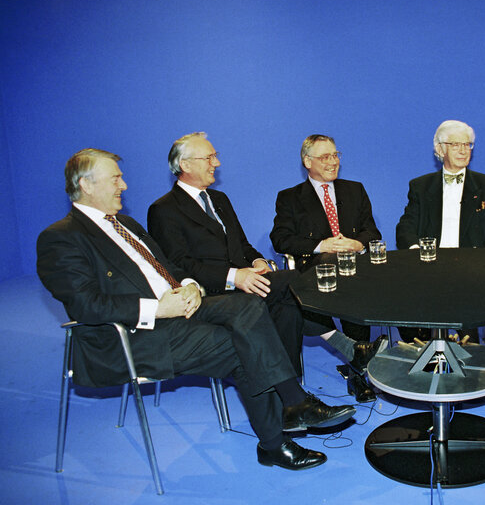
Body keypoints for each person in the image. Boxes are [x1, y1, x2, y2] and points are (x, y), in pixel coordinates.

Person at [37, 148, 359, 471]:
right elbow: (86, 305)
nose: (123, 185)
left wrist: (190, 286)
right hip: (137, 334)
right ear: (87, 185)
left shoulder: (126, 224)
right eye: (115, 178)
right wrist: (158, 308)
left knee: (248, 307)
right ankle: (279, 432)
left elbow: (168, 267)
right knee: (243, 342)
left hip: (183, 307)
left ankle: (291, 408)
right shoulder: (61, 238)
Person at [147, 132, 385, 404]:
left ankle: (293, 398)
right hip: (211, 292)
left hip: (248, 279)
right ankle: (346, 353)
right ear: (186, 165)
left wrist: (258, 261)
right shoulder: (163, 209)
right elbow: (177, 265)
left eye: (215, 156)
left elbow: (242, 245)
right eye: (210, 157)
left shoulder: (219, 199)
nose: (217, 163)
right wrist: (235, 276)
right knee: (297, 286)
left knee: (290, 303)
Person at [270, 134, 384, 401]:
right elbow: (281, 239)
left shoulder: (354, 189)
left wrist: (356, 243)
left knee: (358, 287)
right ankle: (358, 356)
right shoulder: (290, 198)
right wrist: (322, 245)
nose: (333, 162)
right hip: (316, 268)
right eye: (325, 157)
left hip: (355, 265)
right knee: (303, 291)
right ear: (307, 161)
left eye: (336, 155)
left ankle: (359, 373)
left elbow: (372, 232)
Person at [395, 120, 485, 342]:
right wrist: (417, 250)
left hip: (469, 266)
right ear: (440, 149)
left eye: (467, 145)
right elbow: (405, 226)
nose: (462, 150)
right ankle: (422, 347)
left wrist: (480, 258)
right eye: (455, 144)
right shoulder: (420, 186)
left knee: (466, 323)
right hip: (429, 264)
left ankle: (465, 350)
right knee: (398, 297)